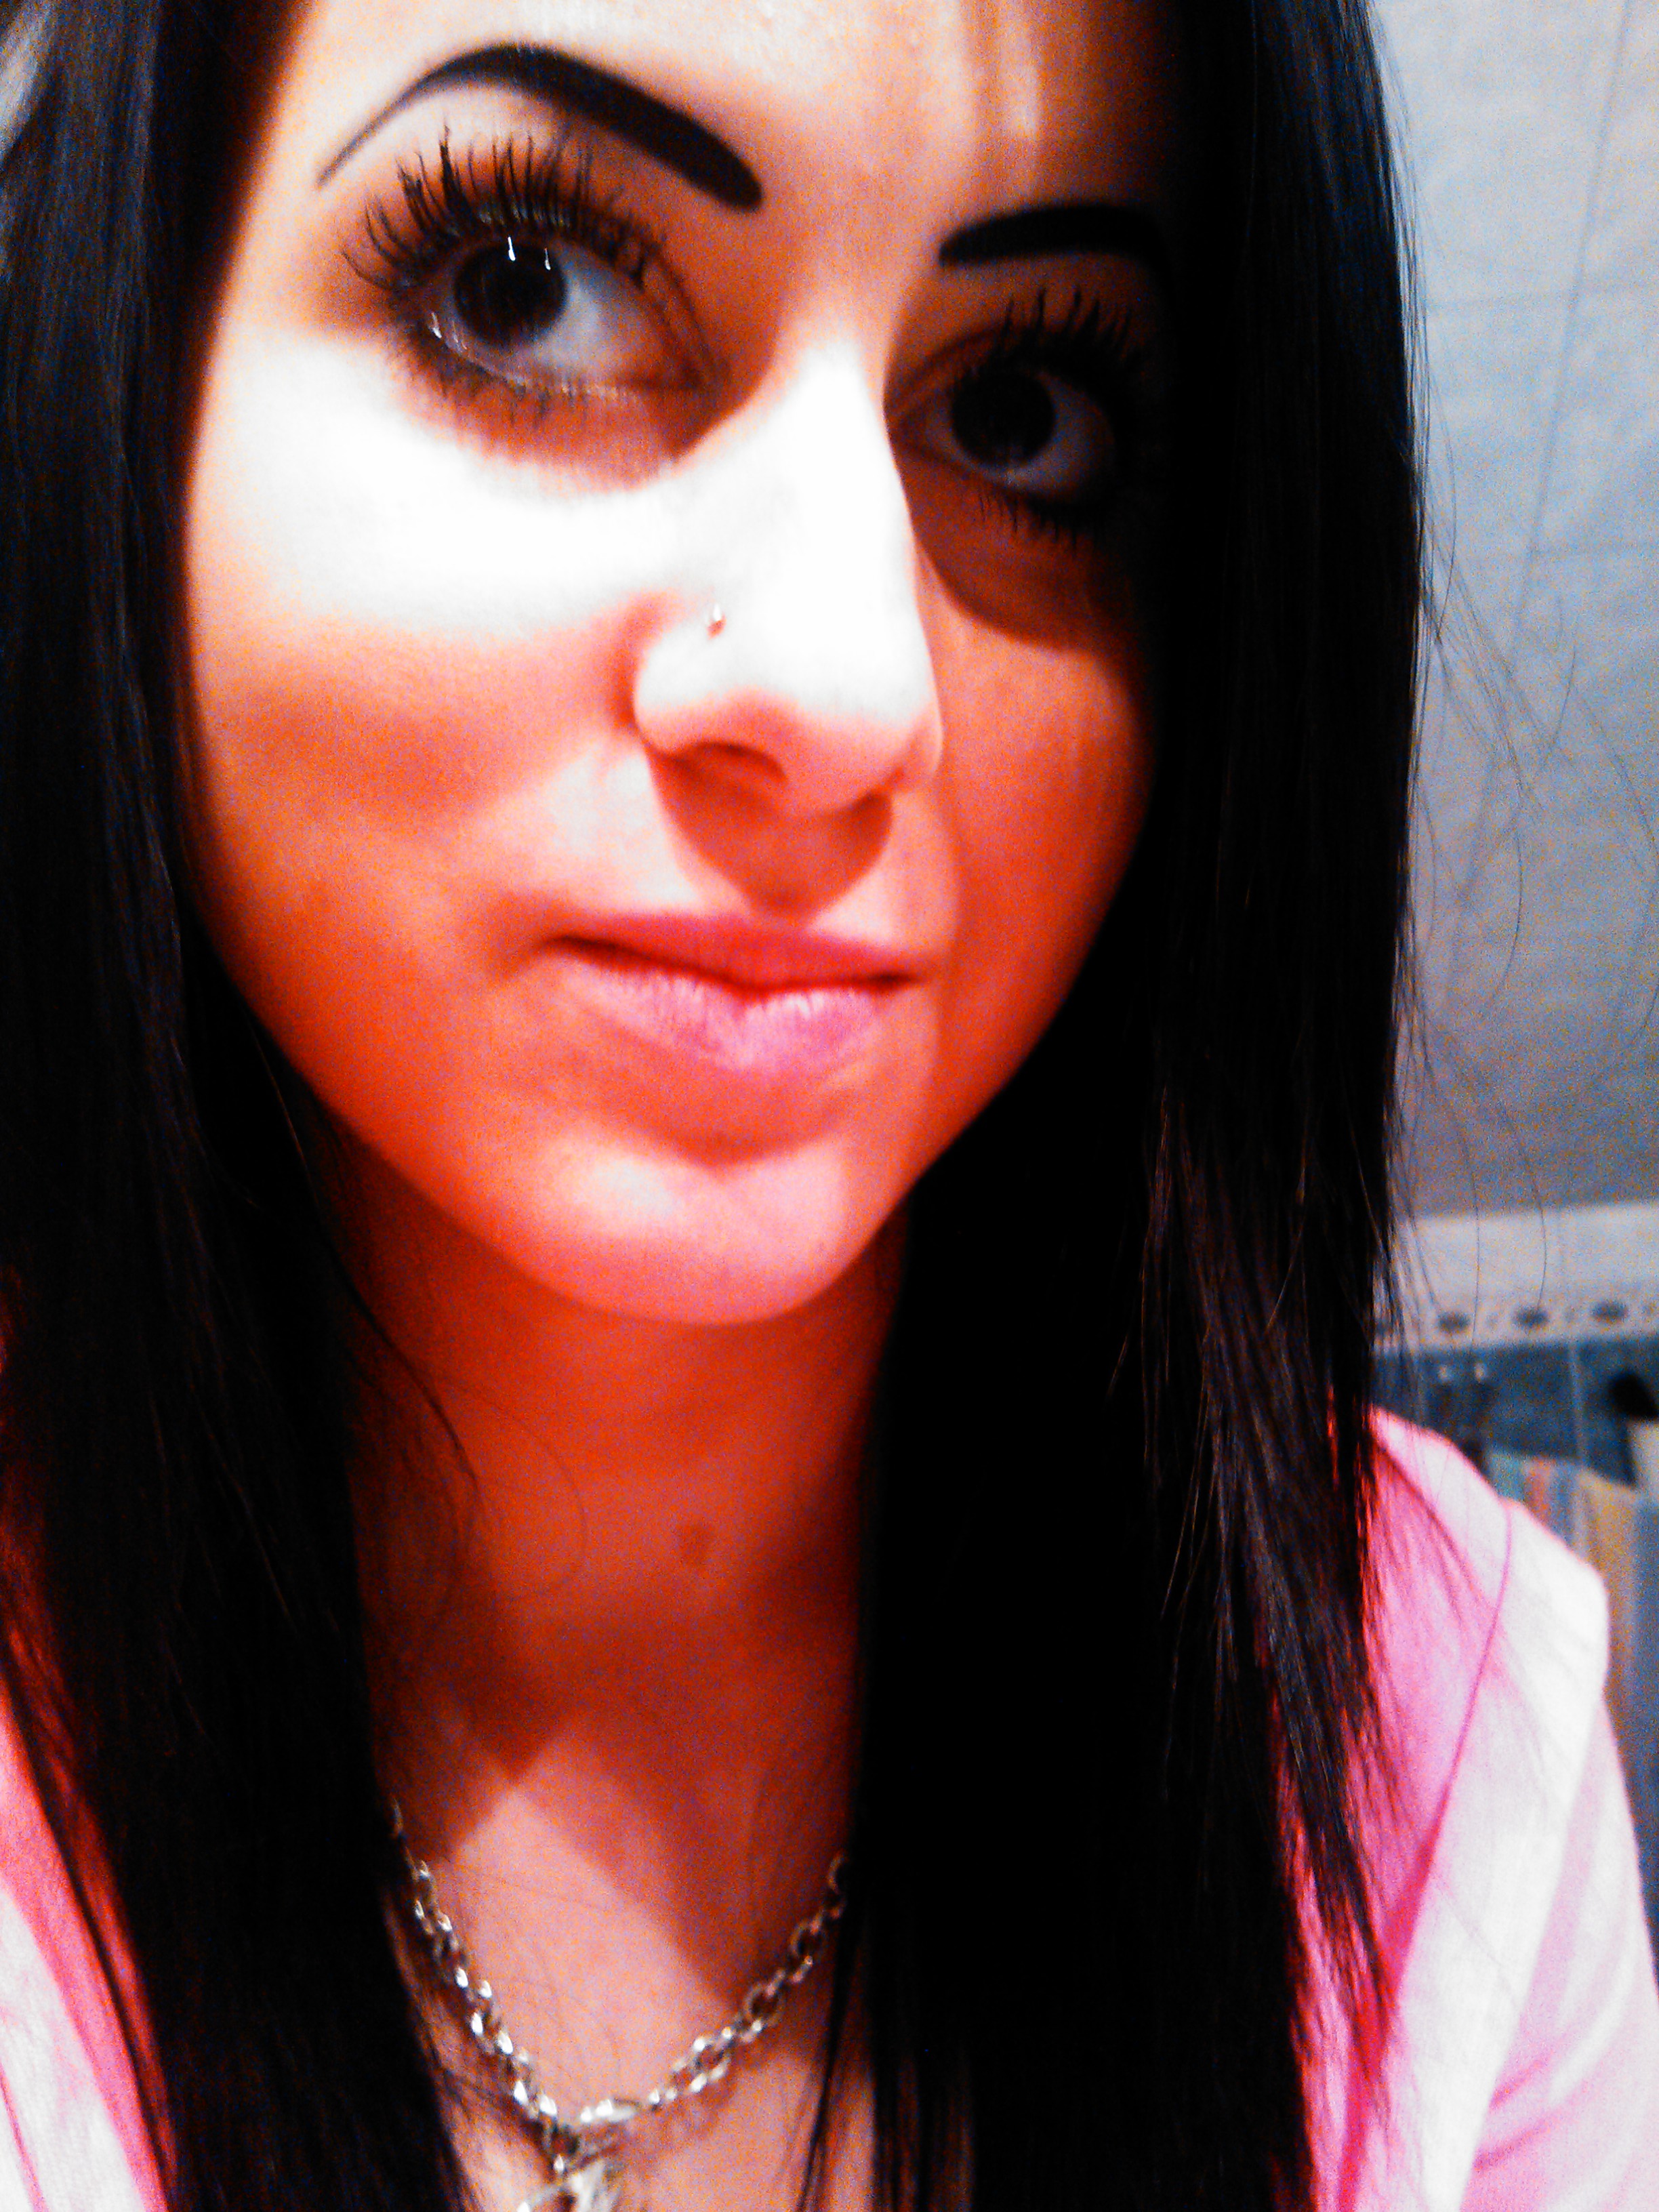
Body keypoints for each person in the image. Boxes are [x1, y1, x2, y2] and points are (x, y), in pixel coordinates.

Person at [0, 0, 1654, 2207]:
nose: (846, 684)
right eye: (525, 288)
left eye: (1022, 411)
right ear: (120, 375)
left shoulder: (1440, 1753)